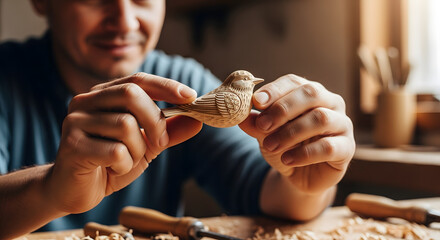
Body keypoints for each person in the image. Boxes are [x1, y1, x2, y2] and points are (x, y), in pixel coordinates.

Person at [0, 0, 355, 239]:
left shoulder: (185, 82)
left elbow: (270, 191)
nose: (124, 20)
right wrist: (50, 189)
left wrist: (306, 172)